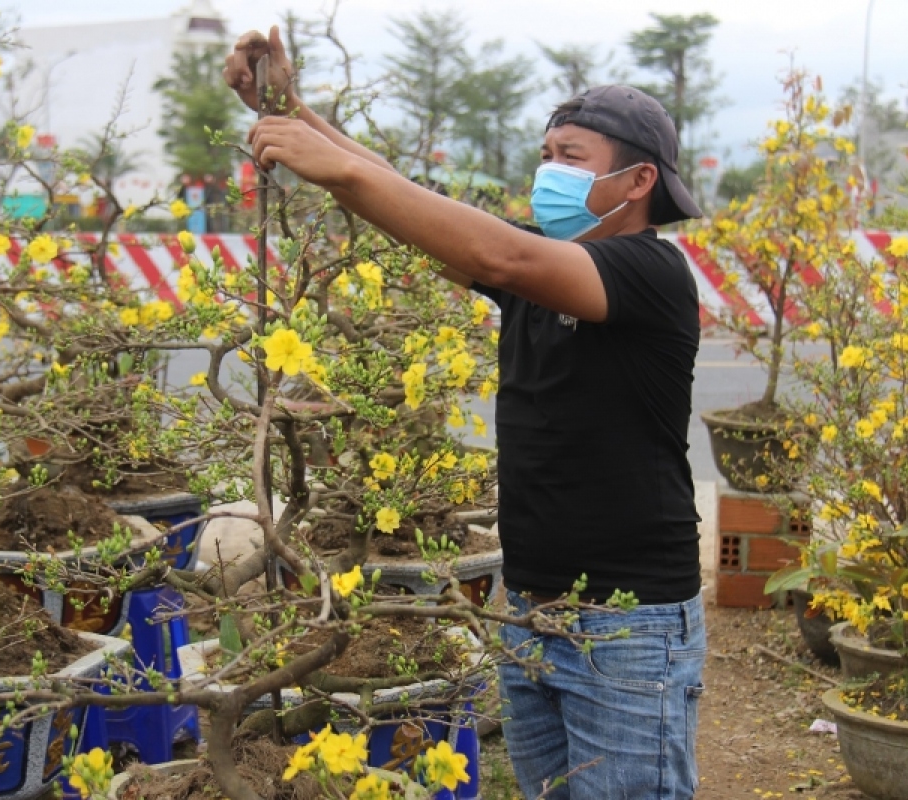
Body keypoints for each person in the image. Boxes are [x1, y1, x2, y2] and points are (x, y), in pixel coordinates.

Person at [224, 26, 706, 800]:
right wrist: (293, 112)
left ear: (637, 179)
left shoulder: (650, 273)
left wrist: (335, 163)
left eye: (570, 157)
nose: (547, 171)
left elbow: (496, 256)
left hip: (627, 627)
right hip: (529, 607)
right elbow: (411, 206)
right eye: (545, 153)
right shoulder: (536, 270)